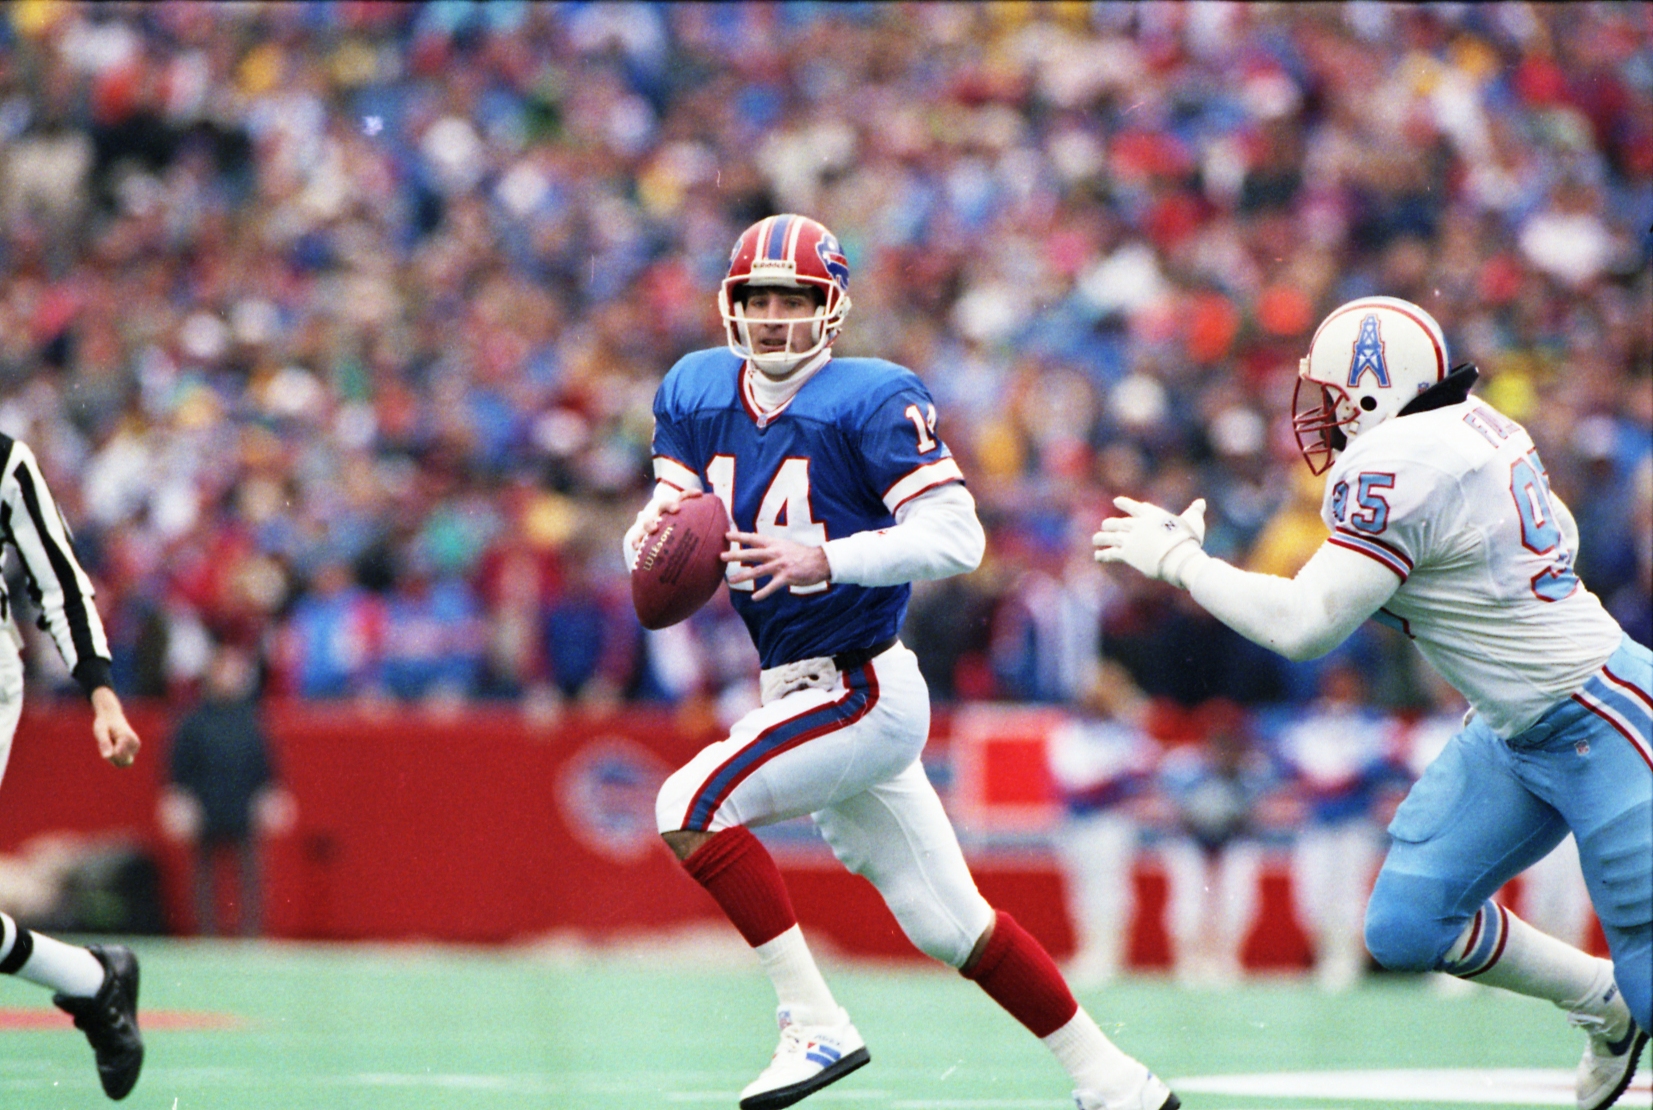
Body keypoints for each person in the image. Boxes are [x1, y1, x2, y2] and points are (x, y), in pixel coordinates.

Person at [627, 215, 1178, 1110]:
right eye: (757, 299)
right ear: (730, 305)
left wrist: (828, 558)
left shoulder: (870, 396)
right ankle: (1115, 1082)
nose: (772, 318)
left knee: (688, 803)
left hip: (858, 681)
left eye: (792, 300)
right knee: (950, 924)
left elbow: (958, 536)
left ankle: (813, 1024)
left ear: (829, 309)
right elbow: (667, 517)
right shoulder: (695, 388)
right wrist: (643, 549)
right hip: (798, 687)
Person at [1094, 296, 1649, 1110]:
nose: (1318, 419)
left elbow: (1303, 625)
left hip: (1600, 716)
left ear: (1371, 391)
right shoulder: (1474, 425)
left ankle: (1628, 997)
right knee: (1406, 924)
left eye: (1329, 395)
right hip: (1510, 726)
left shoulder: (1398, 463)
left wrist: (1181, 562)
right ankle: (1601, 1004)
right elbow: (1549, 536)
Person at [0, 433, 144, 1100]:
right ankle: (93, 980)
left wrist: (102, 695)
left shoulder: (5, 461)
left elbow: (59, 583)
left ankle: (95, 981)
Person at [1275, 661, 1410, 991]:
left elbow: (1379, 766)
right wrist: (1320, 784)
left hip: (1355, 820)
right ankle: (1323, 957)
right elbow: (1291, 763)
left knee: (1351, 892)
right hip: (1318, 821)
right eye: (1335, 683)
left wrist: (1341, 782)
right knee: (1314, 893)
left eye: (1348, 684)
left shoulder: (1374, 725)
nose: (1341, 690)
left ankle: (1349, 961)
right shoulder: (1308, 724)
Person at [161, 643, 291, 937]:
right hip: (206, 804)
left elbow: (265, 763)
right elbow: (178, 766)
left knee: (250, 873)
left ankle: (251, 933)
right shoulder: (193, 720)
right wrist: (177, 799)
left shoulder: (250, 720)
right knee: (204, 874)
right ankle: (206, 932)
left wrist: (271, 794)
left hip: (241, 806)